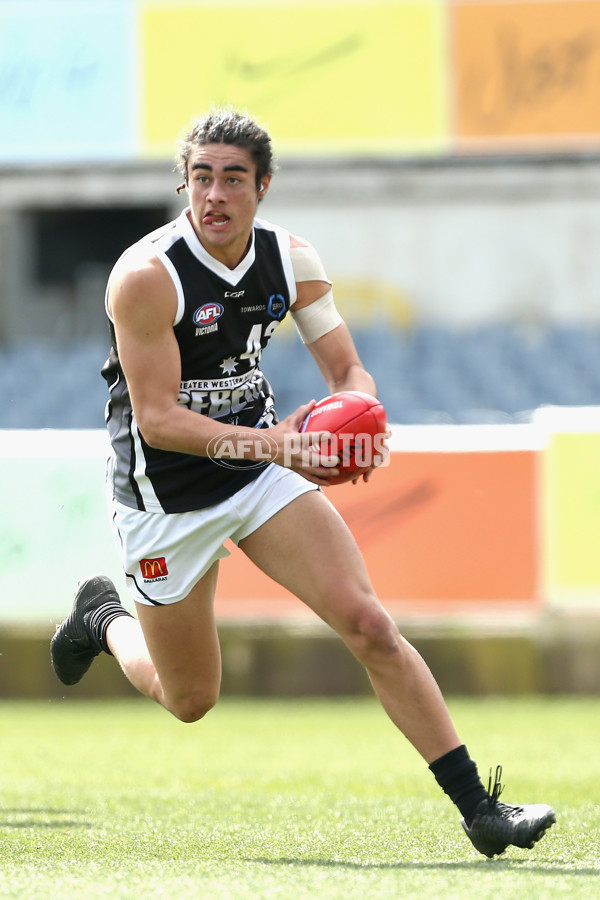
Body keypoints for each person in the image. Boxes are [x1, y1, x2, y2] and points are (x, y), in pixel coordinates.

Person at [51, 108, 555, 858]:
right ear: (184, 183)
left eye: (232, 179)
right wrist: (284, 447)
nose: (213, 195)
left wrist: (360, 415)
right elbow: (156, 420)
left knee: (370, 625)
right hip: (165, 497)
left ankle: (480, 809)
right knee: (189, 699)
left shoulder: (292, 261)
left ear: (264, 187)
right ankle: (103, 618)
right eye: (200, 177)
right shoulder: (145, 278)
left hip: (259, 472)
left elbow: (347, 371)